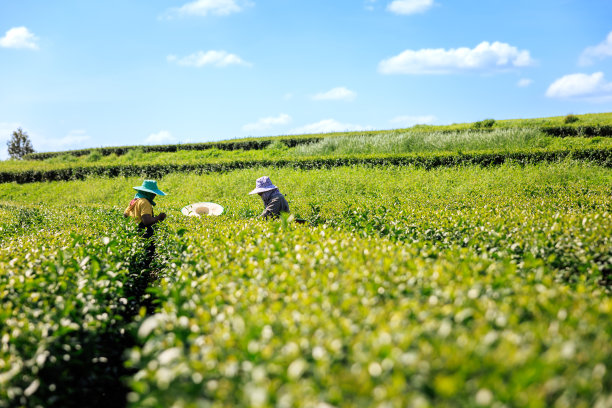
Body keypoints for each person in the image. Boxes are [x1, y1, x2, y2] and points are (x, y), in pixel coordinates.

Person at [124, 179, 167, 267]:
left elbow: (125, 214)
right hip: (143, 232)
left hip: (133, 230)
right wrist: (159, 218)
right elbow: (146, 221)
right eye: (153, 193)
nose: (154, 195)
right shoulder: (145, 202)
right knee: (147, 256)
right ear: (148, 193)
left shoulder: (135, 201)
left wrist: (134, 217)